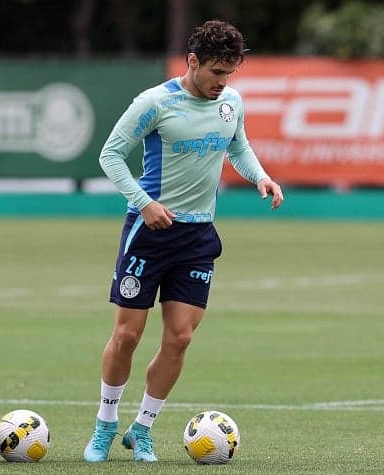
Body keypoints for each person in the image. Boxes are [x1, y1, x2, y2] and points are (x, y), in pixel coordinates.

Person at [83, 20, 284, 463]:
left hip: (197, 235)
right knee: (127, 335)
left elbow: (238, 147)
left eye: (229, 73)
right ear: (192, 62)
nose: (222, 82)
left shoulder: (230, 102)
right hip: (149, 231)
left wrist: (261, 176)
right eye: (215, 72)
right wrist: (144, 202)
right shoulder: (154, 103)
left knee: (180, 338)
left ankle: (143, 429)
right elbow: (110, 154)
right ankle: (105, 424)